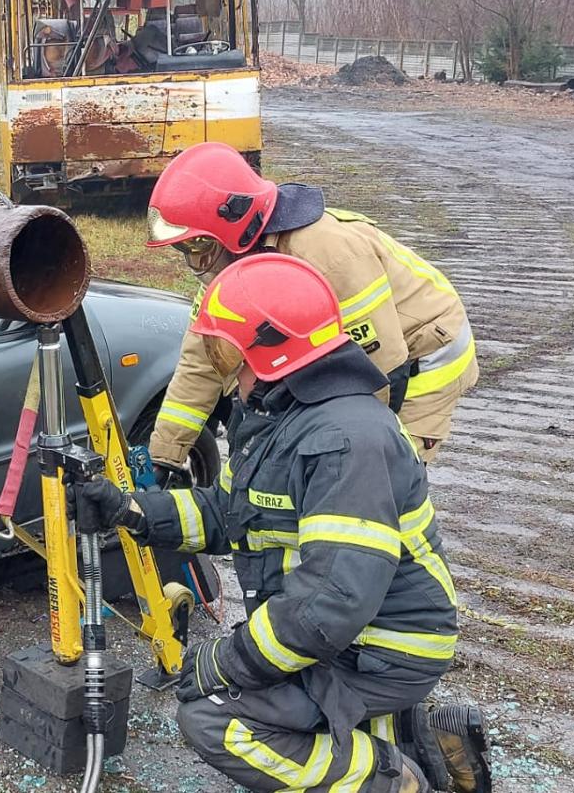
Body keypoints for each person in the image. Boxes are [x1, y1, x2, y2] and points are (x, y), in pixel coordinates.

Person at [72, 254, 490, 792]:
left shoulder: (347, 441)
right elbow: (223, 515)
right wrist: (128, 510)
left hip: (383, 648)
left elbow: (329, 606)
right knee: (249, 690)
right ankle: (412, 735)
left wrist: (227, 660)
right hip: (350, 637)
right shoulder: (283, 419)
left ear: (269, 353)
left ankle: (392, 779)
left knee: (214, 719)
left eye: (227, 351)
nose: (223, 366)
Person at [144, 142, 476, 483]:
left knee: (381, 474)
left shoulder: (329, 255)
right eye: (184, 248)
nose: (193, 261)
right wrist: (165, 457)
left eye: (199, 246)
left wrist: (346, 451)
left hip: (425, 351)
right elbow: (200, 362)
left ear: (236, 220)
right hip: (381, 353)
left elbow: (378, 370)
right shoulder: (229, 262)